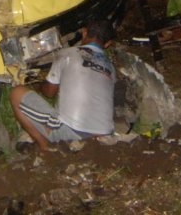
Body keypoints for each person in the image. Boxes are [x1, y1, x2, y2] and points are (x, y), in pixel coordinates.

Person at [10, 18, 116, 151]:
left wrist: (38, 85)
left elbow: (49, 92)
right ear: (108, 44)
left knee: (17, 93)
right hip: (105, 136)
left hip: (74, 134)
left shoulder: (67, 54)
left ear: (84, 32)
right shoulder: (111, 68)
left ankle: (45, 147)